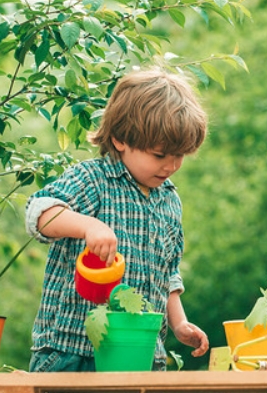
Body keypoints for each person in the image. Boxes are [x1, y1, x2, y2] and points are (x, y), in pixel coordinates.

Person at [25, 68, 210, 372]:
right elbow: (39, 214)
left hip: (140, 356)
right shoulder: (93, 180)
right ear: (120, 139)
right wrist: (89, 226)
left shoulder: (169, 200)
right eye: (160, 155)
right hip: (75, 353)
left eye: (180, 156)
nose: (172, 166)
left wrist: (179, 323)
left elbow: (168, 273)